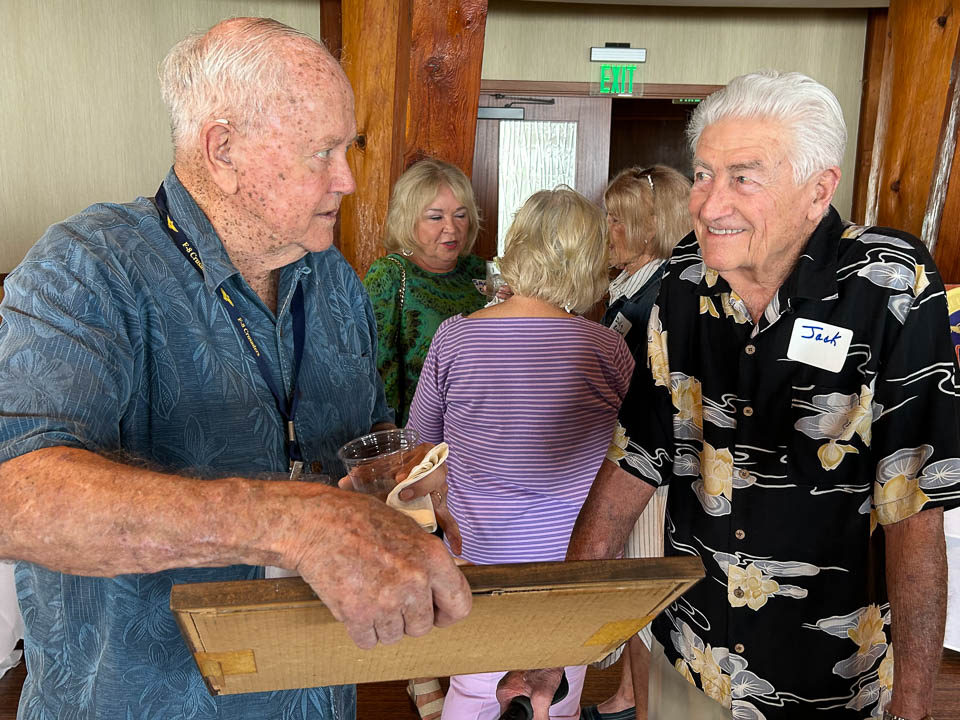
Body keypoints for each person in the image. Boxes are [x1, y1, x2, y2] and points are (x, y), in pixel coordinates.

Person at [0, 18, 471, 720]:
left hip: (315, 696)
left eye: (348, 149)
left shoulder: (336, 281)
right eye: (321, 152)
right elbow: (19, 500)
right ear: (222, 149)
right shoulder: (89, 268)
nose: (346, 179)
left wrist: (402, 489)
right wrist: (295, 522)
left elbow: (364, 430)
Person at [501, 70, 960, 720]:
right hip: (689, 659)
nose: (710, 203)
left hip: (826, 684)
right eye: (705, 174)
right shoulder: (682, 285)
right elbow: (628, 466)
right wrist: (554, 643)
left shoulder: (890, 287)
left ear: (817, 190)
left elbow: (914, 507)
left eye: (743, 177)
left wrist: (913, 707)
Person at [407, 186, 636, 720]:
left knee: (473, 688)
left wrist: (441, 507)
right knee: (559, 694)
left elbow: (422, 447)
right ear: (589, 261)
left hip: (479, 552)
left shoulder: (454, 339)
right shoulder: (606, 348)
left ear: (518, 246)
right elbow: (635, 454)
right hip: (574, 561)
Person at [580, 165, 692, 720]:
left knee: (643, 602)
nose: (607, 230)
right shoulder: (634, 287)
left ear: (651, 228)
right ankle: (627, 697)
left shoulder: (659, 297)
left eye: (617, 220)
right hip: (634, 463)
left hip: (651, 473)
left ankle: (641, 706)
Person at [363, 159, 487, 426]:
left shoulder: (481, 272)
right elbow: (375, 369)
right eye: (435, 217)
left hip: (480, 431)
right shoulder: (390, 274)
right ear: (409, 220)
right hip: (416, 438)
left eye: (460, 215)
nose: (451, 228)